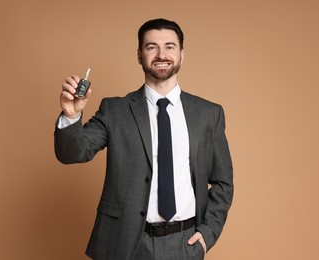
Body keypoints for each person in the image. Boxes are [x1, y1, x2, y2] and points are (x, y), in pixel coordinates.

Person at [54, 18, 233, 260]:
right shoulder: (114, 110)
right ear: (139, 55)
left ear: (182, 54)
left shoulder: (208, 114)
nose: (162, 54)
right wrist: (71, 115)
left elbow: (223, 183)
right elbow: (72, 154)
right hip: (125, 245)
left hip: (185, 244)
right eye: (151, 47)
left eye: (170, 46)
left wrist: (207, 234)